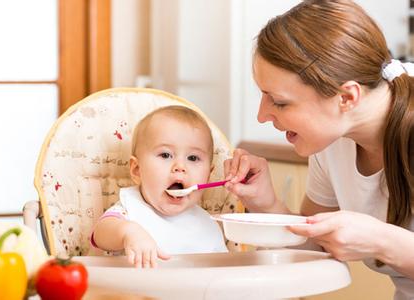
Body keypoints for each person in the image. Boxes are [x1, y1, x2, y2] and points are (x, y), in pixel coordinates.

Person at [224, 1, 414, 299]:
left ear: (347, 97)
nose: (262, 115)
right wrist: (266, 203)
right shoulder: (332, 140)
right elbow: (314, 245)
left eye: (280, 102)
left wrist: (382, 240)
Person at [92, 105, 227, 268]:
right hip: (137, 292)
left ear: (208, 175)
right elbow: (99, 234)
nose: (180, 166)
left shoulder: (208, 225)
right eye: (165, 155)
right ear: (137, 170)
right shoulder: (128, 212)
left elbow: (221, 274)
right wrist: (128, 232)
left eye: (193, 158)